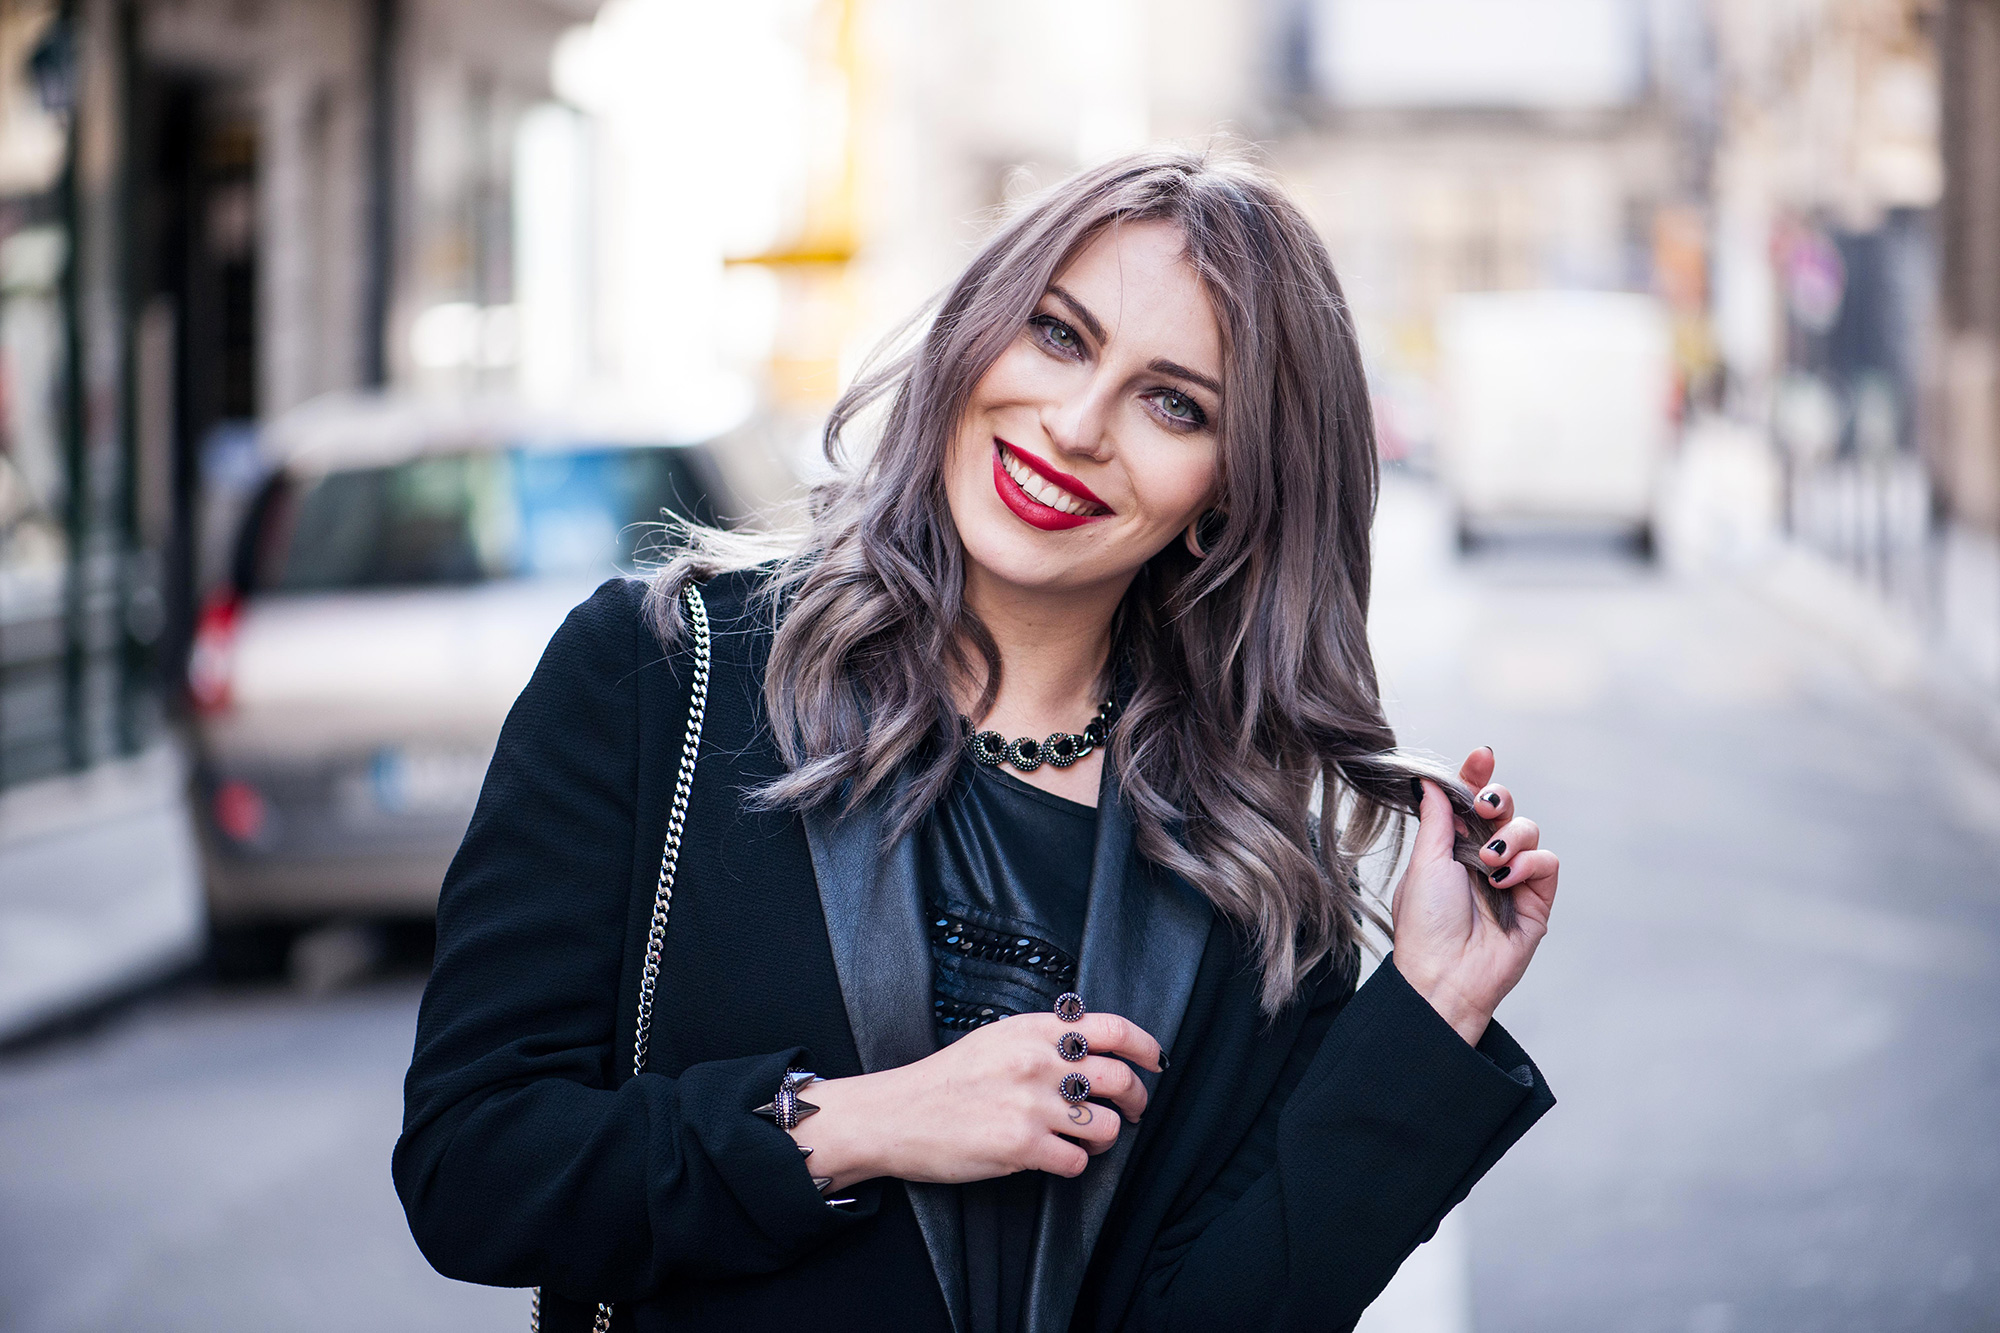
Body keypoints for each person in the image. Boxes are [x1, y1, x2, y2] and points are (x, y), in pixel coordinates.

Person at [395, 148, 1559, 1333]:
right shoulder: (660, 679)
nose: (1075, 424)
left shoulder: (1252, 870)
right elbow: (473, 1167)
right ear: (976, 331)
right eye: (1058, 335)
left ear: (1228, 492)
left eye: (1173, 404)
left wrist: (1431, 1003)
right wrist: (865, 1122)